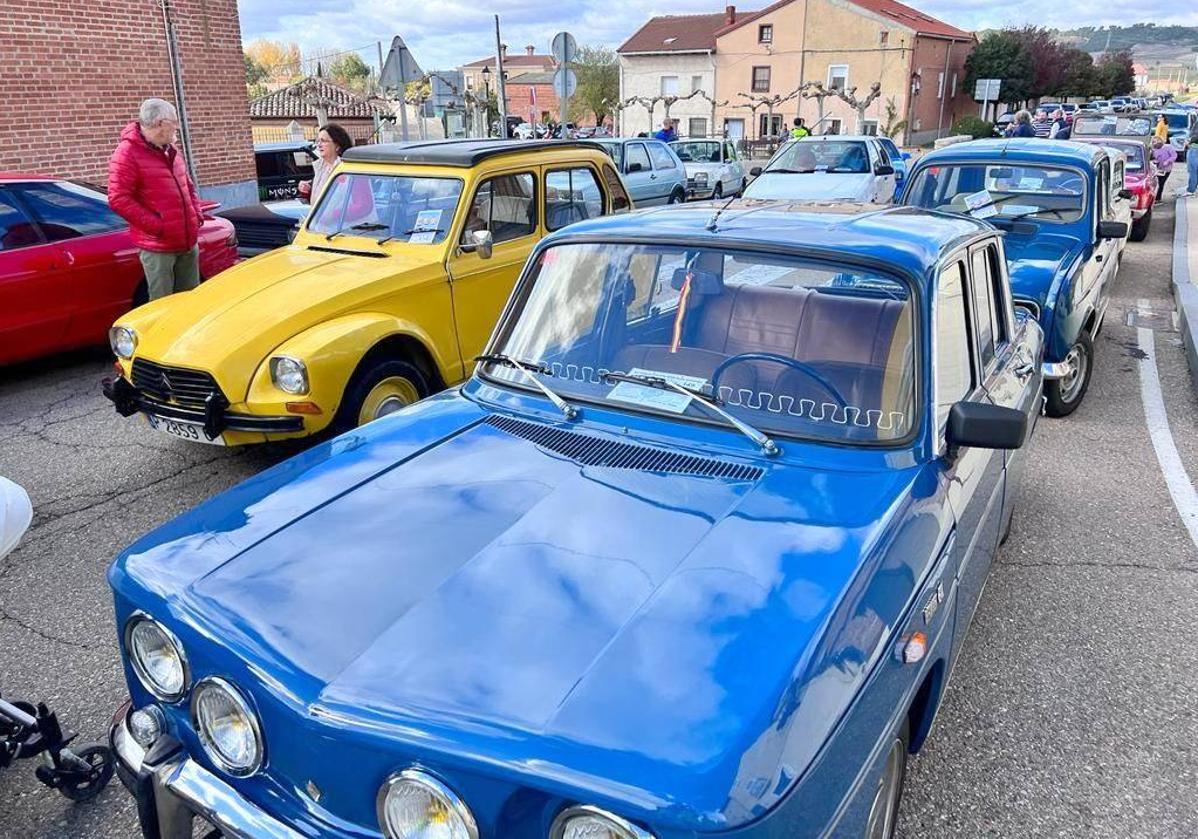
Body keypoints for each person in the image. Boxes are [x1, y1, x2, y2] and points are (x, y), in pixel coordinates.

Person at [107, 98, 205, 301]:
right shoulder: (127, 153)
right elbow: (118, 198)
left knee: (191, 302)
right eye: (174, 122)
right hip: (159, 248)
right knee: (162, 306)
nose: (177, 127)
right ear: (161, 123)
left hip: (187, 241)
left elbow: (188, 186)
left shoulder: (171, 150)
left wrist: (196, 215)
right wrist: (159, 227)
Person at [298, 123, 352, 204]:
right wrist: (307, 191)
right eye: (318, 141)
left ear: (337, 146)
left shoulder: (347, 169)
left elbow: (361, 205)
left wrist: (334, 213)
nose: (319, 145)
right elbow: (319, 201)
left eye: (323, 141)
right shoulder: (320, 167)